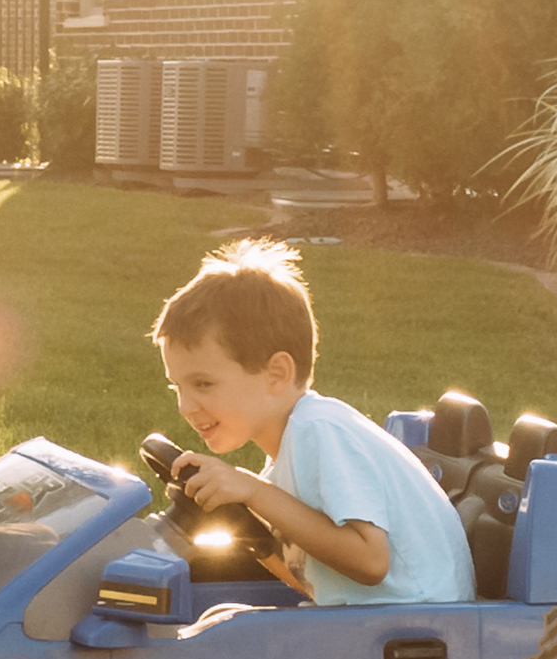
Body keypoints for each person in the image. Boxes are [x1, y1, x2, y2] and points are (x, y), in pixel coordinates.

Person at [149, 236, 469, 602]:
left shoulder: (319, 430)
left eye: (203, 384)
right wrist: (252, 533)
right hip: (373, 628)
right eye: (177, 388)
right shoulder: (284, 460)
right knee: (221, 620)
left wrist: (254, 492)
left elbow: (370, 562)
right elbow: (313, 582)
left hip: (417, 630)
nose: (186, 406)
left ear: (276, 374)